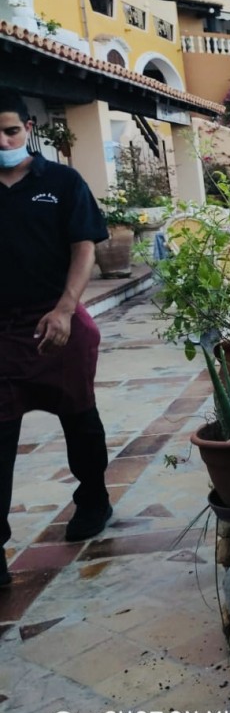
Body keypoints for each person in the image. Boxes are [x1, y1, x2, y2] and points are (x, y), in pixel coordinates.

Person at [0, 92, 112, 588]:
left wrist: (66, 308)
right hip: (2, 331)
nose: (3, 142)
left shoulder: (62, 182)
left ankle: (93, 499)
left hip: (56, 320)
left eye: (10, 131)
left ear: (28, 128)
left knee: (79, 417)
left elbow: (84, 247)